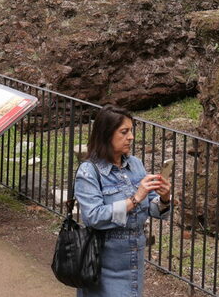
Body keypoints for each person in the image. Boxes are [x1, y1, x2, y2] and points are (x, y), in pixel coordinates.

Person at [74, 105, 173, 297]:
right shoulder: (89, 172)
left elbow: (153, 208)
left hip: (134, 257)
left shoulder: (135, 164)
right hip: (102, 260)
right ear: (106, 134)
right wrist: (135, 198)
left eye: (131, 131)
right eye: (124, 132)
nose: (131, 137)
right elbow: (93, 217)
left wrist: (164, 198)